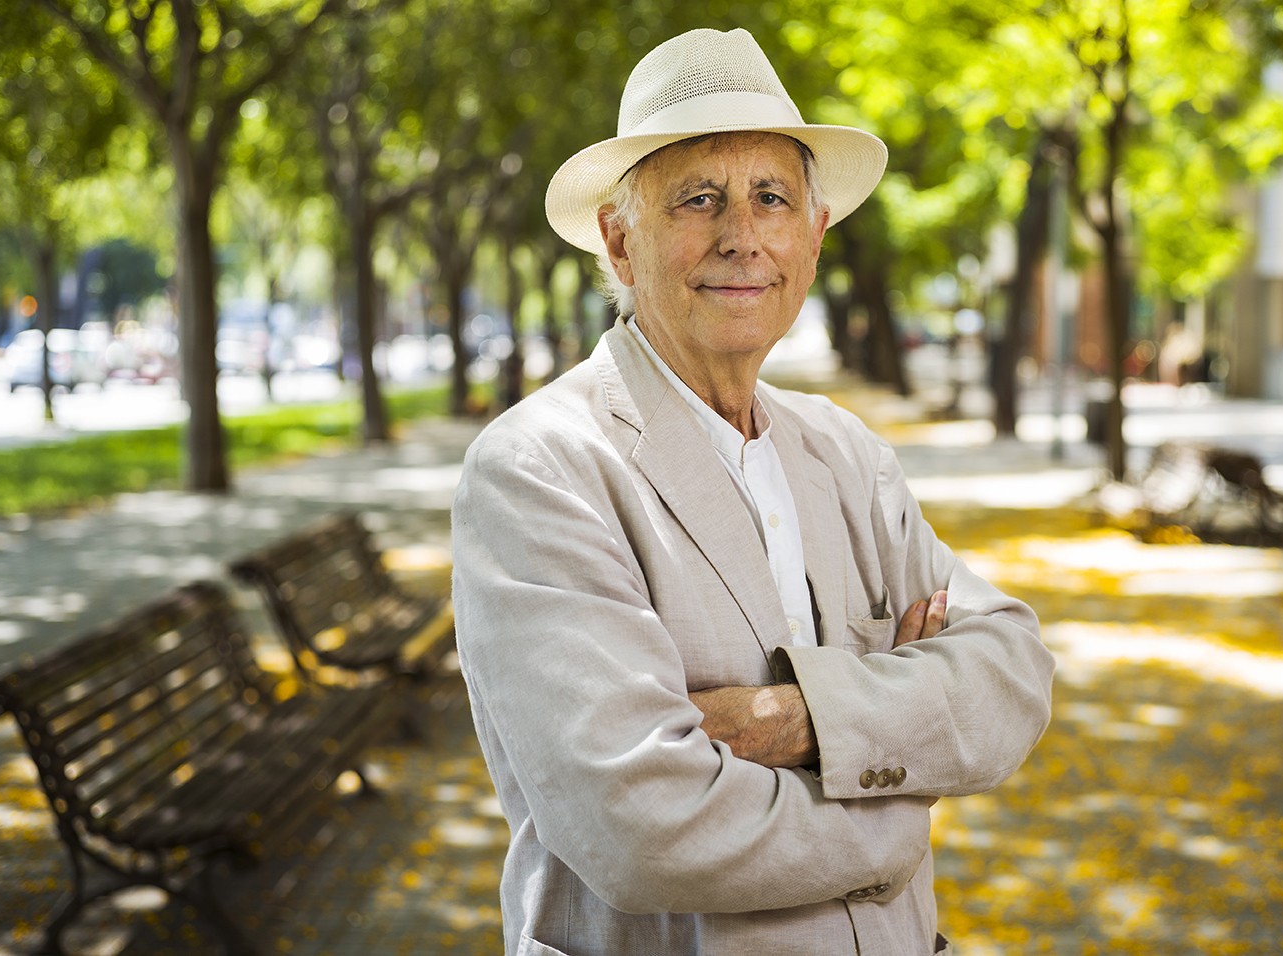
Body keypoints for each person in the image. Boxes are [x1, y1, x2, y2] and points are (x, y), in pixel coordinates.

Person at [451, 27, 1054, 956]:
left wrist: (792, 719)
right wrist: (897, 803)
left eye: (771, 198)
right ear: (620, 240)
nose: (742, 235)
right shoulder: (543, 467)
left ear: (811, 240)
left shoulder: (845, 451)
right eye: (698, 198)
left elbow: (1010, 674)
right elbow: (643, 826)